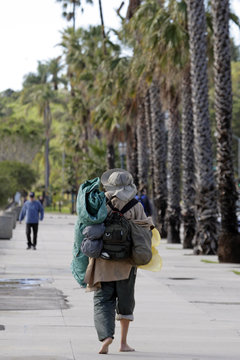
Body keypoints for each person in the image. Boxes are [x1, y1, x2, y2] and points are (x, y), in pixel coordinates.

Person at [84, 169, 153, 354]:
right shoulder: (135, 205)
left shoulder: (101, 203)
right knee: (125, 302)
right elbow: (146, 230)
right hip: (126, 263)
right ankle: (123, 343)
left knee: (102, 300)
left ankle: (106, 336)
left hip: (102, 262)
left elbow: (86, 224)